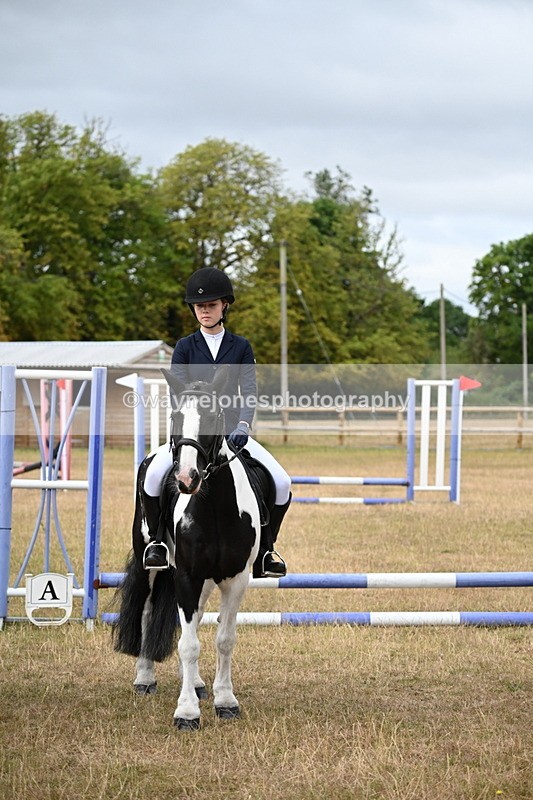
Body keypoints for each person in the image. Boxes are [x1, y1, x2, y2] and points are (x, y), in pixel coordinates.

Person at [142, 266, 291, 576]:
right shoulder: (185, 347)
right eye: (199, 306)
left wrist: (243, 426)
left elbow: (249, 391)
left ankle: (266, 550)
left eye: (210, 305)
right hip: (192, 434)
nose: (204, 311)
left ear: (225, 305)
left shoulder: (240, 347)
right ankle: (156, 542)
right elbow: (177, 393)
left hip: (232, 433)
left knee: (282, 482)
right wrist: (186, 430)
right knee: (153, 475)